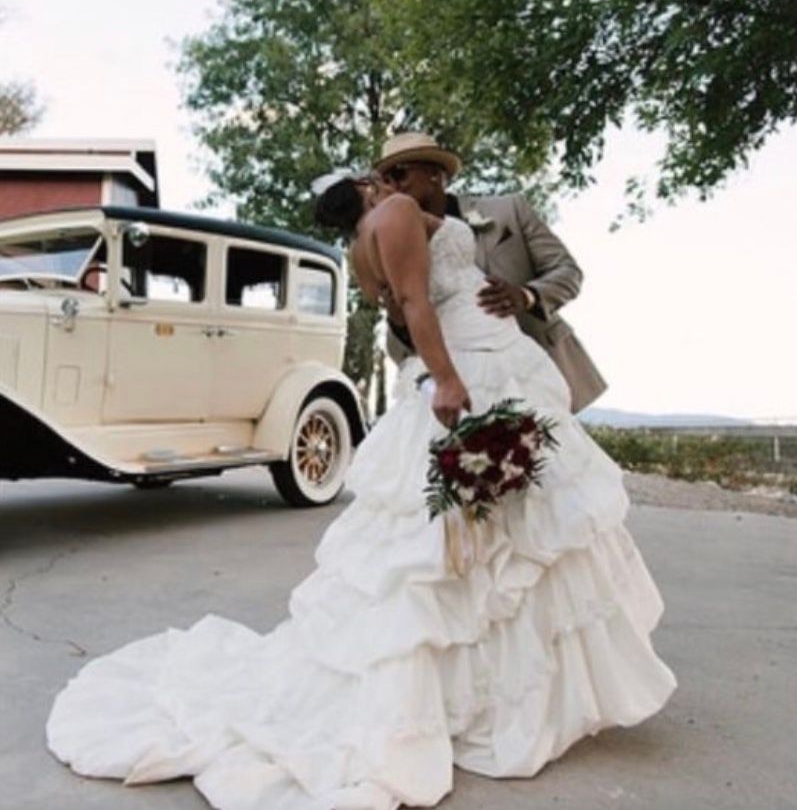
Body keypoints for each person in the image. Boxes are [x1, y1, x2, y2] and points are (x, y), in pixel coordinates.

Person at [45, 173, 676, 809]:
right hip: (471, 357)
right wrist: (449, 381)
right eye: (383, 177)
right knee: (472, 530)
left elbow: (402, 304)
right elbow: (416, 304)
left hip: (482, 347)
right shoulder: (398, 211)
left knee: (490, 526)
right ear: (369, 186)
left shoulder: (359, 244)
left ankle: (494, 683)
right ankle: (487, 696)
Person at [374, 132, 607, 413]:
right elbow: (402, 345)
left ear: (434, 173)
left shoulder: (509, 211)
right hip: (462, 389)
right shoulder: (393, 247)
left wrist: (526, 296)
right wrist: (397, 318)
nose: (392, 187)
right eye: (385, 180)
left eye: (399, 174)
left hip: (534, 373)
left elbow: (568, 272)